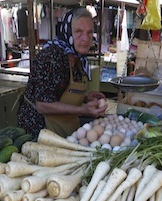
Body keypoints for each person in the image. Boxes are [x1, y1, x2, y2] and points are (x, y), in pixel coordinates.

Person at [17, 7, 108, 139]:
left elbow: (62, 91)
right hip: (38, 130)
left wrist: (86, 97)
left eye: (89, 32)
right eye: (78, 31)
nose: (85, 38)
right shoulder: (50, 57)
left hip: (62, 126)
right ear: (67, 31)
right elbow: (43, 105)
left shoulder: (77, 58)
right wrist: (83, 110)